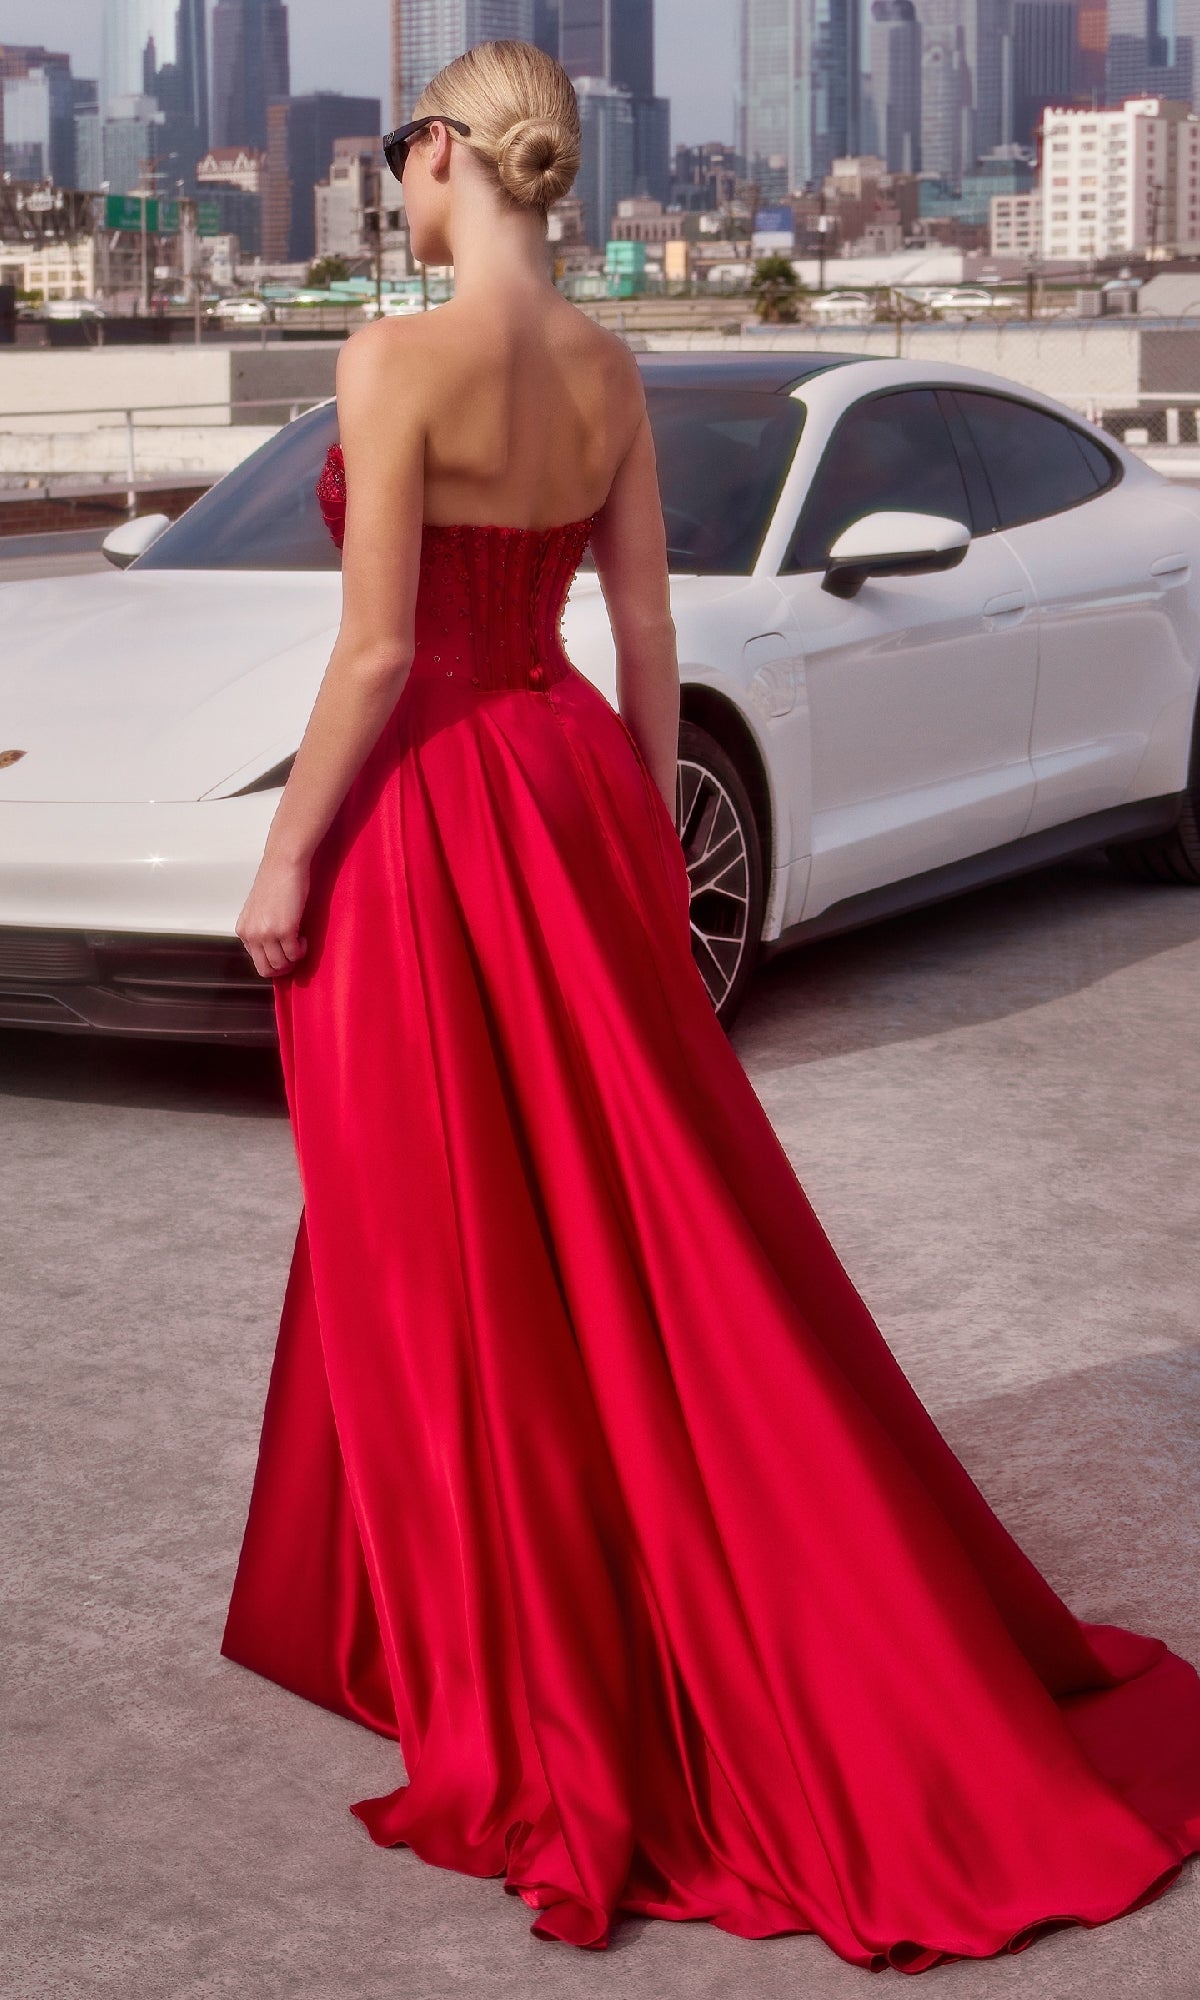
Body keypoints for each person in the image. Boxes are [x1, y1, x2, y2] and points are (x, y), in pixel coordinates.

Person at [221, 39, 1200, 1969]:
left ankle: (507, 1630)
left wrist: (282, 856)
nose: (393, 182)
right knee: (623, 1205)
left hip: (432, 803)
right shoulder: (611, 371)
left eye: (401, 151)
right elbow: (648, 630)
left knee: (443, 1211)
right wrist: (639, 831)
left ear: (446, 153)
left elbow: (380, 651)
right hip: (575, 780)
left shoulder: (391, 358)